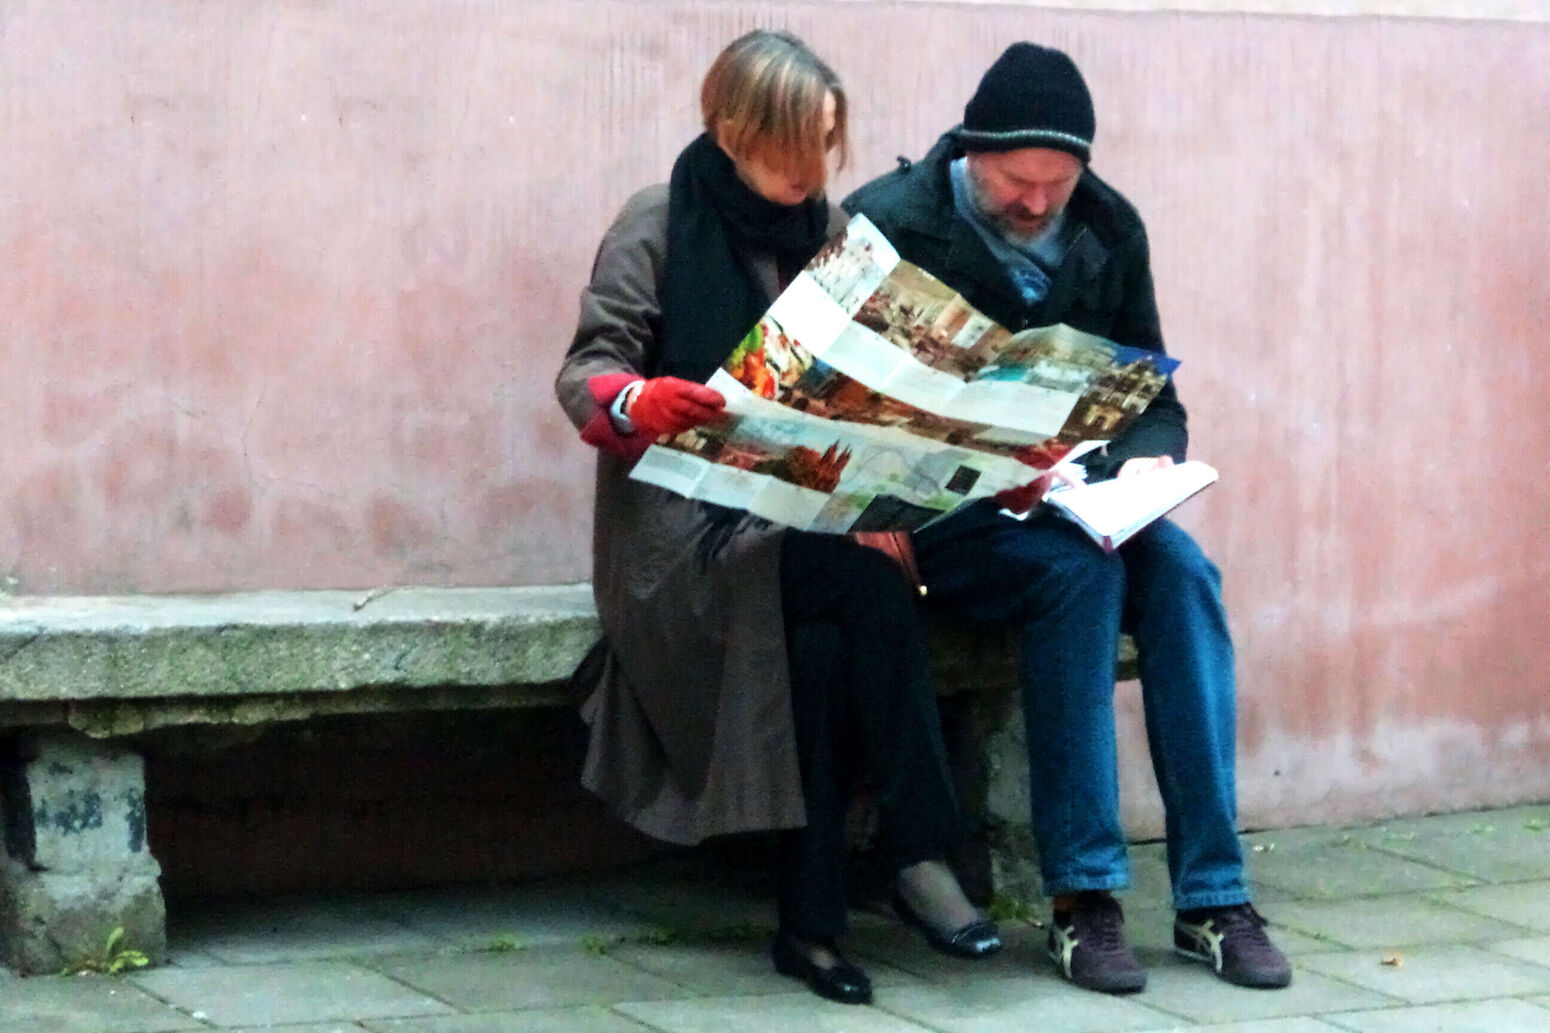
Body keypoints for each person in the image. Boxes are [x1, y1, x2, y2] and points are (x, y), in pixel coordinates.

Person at [555, 30, 1000, 1006]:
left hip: (802, 525)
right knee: (860, 578)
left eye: (822, 149)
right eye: (789, 149)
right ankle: (920, 847)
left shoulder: (831, 236)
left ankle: (812, 929)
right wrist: (639, 400)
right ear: (729, 129)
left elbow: (872, 392)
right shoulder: (658, 220)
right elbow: (586, 370)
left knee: (826, 639)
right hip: (679, 544)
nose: (807, 173)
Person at [844, 42, 1293, 993]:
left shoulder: (1108, 226)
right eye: (1018, 181)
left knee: (1183, 576)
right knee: (1078, 574)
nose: (1039, 203)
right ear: (972, 152)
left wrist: (1144, 463)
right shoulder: (887, 225)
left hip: (1072, 502)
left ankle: (1215, 894)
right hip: (936, 520)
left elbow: (1149, 390)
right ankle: (1082, 900)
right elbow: (831, 405)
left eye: (1059, 181)